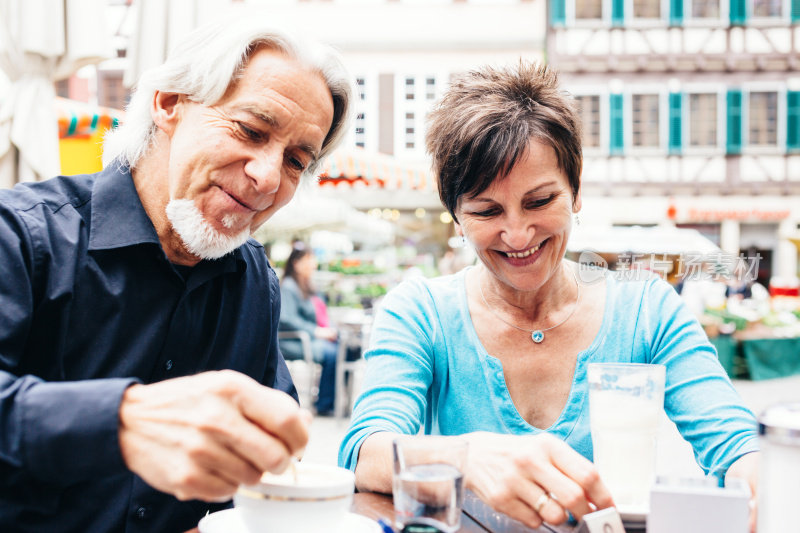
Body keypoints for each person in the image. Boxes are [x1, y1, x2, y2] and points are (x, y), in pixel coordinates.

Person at [339, 61, 760, 531]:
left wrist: (754, 476)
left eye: (540, 202)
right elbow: (364, 453)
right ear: (456, 217)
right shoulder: (421, 312)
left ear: (576, 191)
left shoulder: (646, 311)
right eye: (486, 210)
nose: (518, 235)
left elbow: (735, 444)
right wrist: (467, 457)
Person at [0, 17, 352, 533]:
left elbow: (270, 456)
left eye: (297, 161)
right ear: (168, 104)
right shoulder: (21, 235)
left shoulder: (255, 278)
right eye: (251, 131)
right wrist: (122, 421)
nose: (269, 177)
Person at [279, 243, 339, 415]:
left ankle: (337, 399)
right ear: (296, 264)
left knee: (347, 348)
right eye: (309, 260)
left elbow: (321, 313)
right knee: (332, 353)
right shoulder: (289, 286)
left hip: (310, 337)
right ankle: (325, 404)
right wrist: (316, 331)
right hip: (292, 340)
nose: (313, 264)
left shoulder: (309, 286)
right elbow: (287, 319)